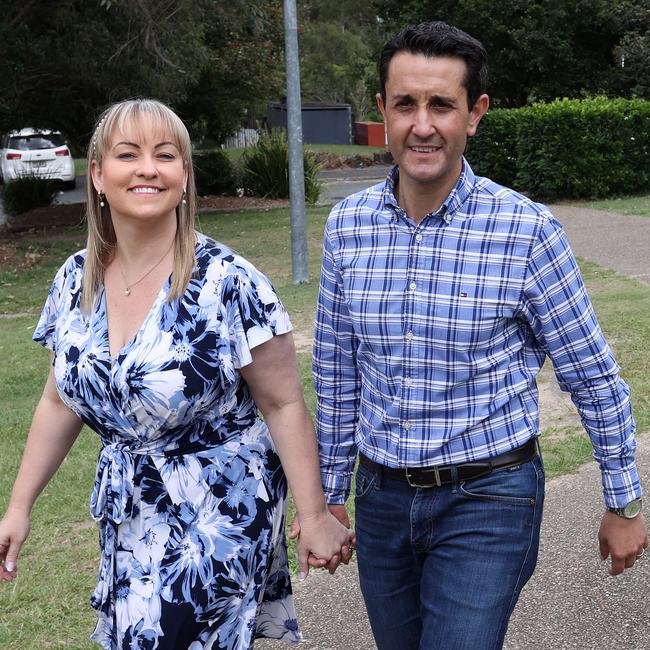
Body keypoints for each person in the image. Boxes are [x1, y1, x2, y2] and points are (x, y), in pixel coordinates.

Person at [311, 21, 649, 650]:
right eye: (406, 104)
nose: (423, 124)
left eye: (442, 104)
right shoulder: (347, 227)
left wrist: (623, 501)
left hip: (489, 497)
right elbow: (336, 372)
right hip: (381, 495)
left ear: (475, 114)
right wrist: (329, 497)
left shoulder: (525, 231)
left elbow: (592, 374)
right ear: (383, 110)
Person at [0, 98, 353, 649]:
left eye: (166, 155)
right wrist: (19, 507)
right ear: (97, 174)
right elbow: (58, 400)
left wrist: (314, 514)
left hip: (219, 514)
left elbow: (282, 403)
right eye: (128, 154)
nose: (148, 168)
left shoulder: (228, 281)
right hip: (129, 514)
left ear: (184, 176)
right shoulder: (75, 280)